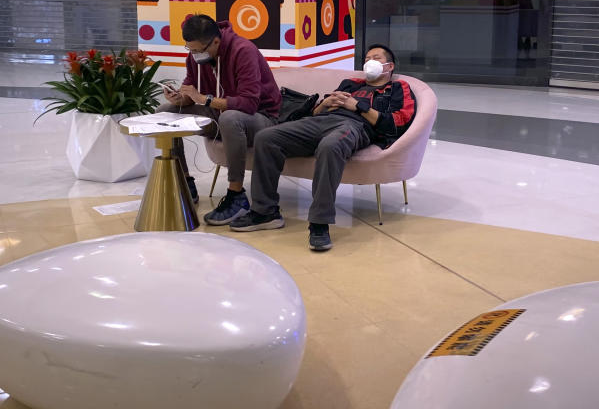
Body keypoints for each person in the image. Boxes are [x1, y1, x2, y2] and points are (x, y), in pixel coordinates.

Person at [229, 45, 416, 252]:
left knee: (330, 146)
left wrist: (358, 106)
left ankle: (319, 223)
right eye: (367, 58)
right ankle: (264, 212)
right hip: (322, 120)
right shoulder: (350, 84)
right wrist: (325, 103)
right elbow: (316, 113)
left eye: (376, 58)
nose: (369, 61)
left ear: (389, 66)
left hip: (354, 126)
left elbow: (398, 123)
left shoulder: (398, 88)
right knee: (266, 137)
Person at [158, 14, 281, 226]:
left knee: (230, 118)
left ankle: (236, 195)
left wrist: (204, 99)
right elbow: (192, 89)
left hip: (262, 118)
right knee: (167, 111)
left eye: (198, 50)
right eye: (190, 50)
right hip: (220, 112)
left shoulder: (244, 51)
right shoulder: (196, 56)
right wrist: (182, 97)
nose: (194, 55)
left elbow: (249, 104)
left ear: (216, 41)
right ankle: (186, 182)